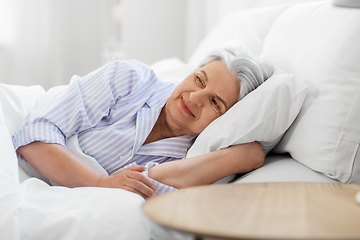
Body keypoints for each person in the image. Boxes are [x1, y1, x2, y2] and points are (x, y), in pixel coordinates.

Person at [12, 44, 274, 199]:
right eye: (199, 79)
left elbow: (150, 191)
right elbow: (35, 136)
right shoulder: (130, 78)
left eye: (216, 103)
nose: (195, 97)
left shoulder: (195, 155)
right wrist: (101, 184)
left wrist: (234, 159)